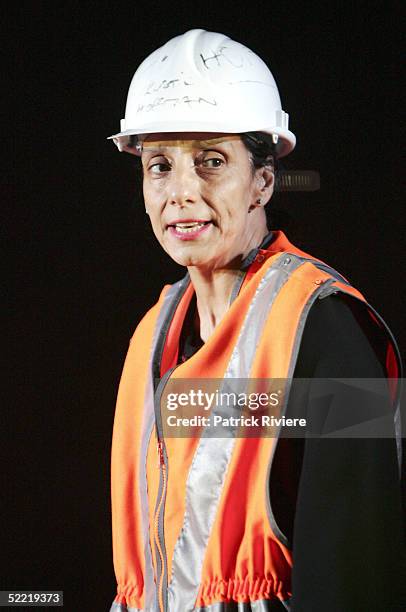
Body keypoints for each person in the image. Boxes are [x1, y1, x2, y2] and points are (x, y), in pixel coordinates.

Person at [108, 30, 404, 612]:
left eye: (212, 162)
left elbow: (362, 579)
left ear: (263, 181)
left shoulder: (334, 330)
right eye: (160, 165)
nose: (181, 193)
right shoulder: (150, 339)